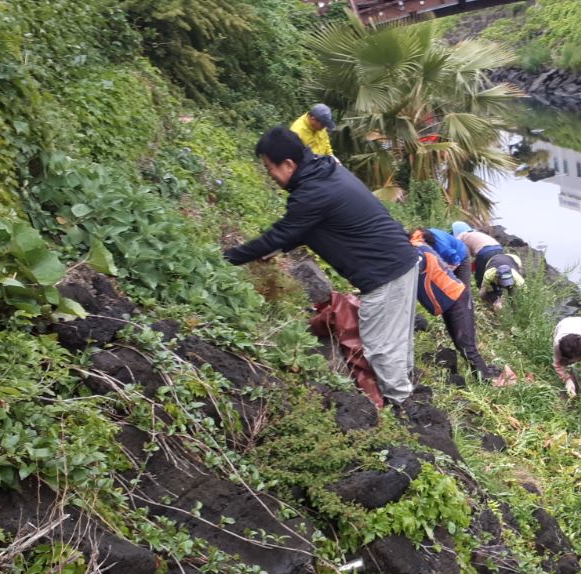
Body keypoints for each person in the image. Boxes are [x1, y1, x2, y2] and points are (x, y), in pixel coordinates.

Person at [224, 127, 419, 406]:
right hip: (398, 261)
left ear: (289, 164)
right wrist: (278, 249)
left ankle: (402, 408)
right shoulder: (325, 173)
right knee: (394, 341)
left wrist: (230, 258)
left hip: (386, 272)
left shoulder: (313, 192)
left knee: (380, 347)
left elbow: (283, 233)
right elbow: (305, 229)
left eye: (270, 168)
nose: (269, 175)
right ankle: (405, 395)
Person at [410, 228, 498, 382]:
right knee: (460, 337)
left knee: (466, 341)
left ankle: (485, 377)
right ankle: (480, 374)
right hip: (450, 295)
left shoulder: (425, 248)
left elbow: (455, 260)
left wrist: (444, 272)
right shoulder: (419, 247)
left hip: (459, 262)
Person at [451, 221, 525, 309]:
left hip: (485, 252)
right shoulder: (475, 234)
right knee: (499, 275)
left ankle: (491, 303)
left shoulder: (461, 237)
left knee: (481, 278)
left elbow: (461, 255)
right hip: (498, 249)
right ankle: (501, 301)